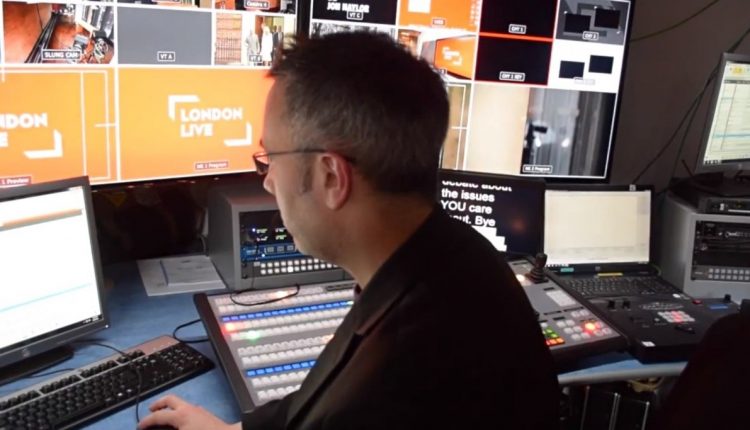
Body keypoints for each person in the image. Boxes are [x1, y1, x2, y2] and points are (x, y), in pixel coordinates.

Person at [138, 32, 560, 430]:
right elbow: (321, 395)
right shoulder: (456, 254)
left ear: (331, 177)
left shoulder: (390, 378)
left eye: (271, 159)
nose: (268, 182)